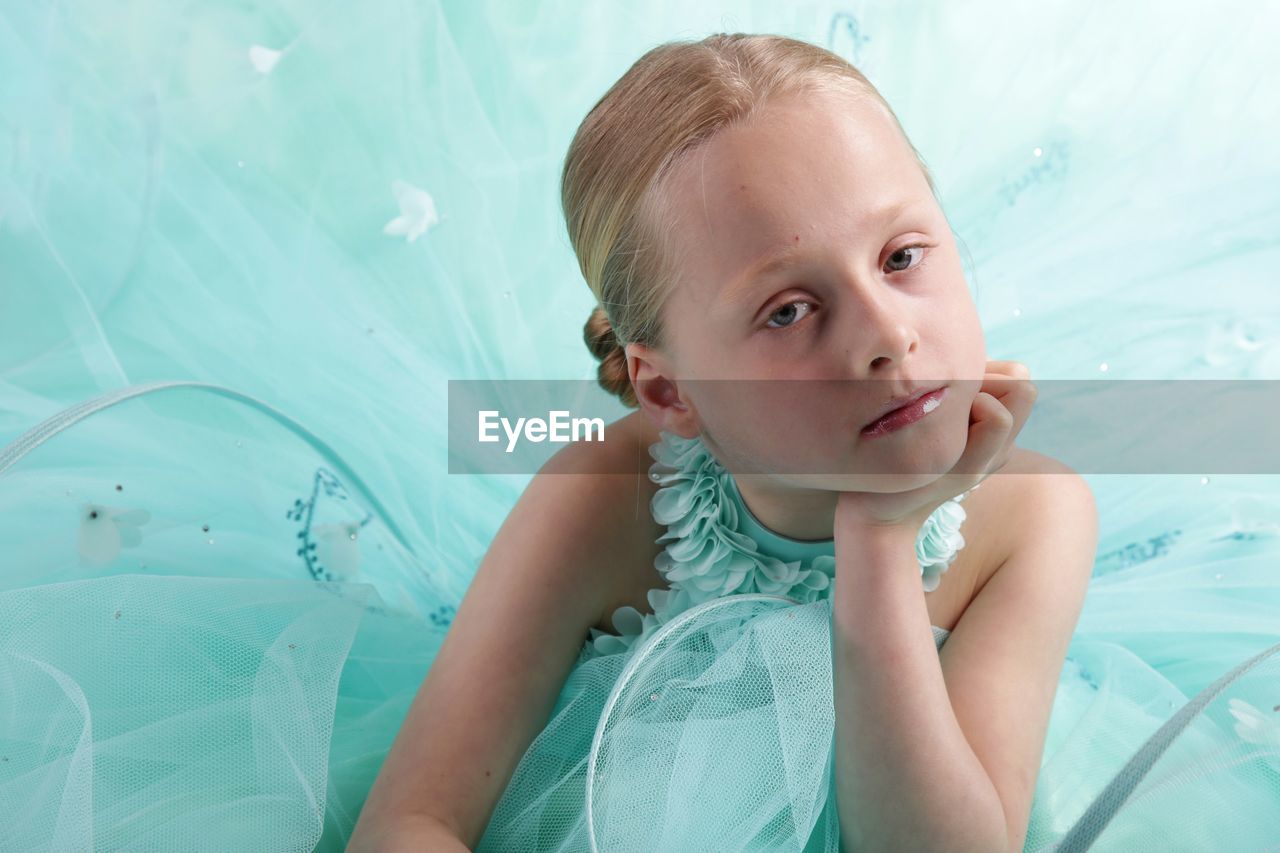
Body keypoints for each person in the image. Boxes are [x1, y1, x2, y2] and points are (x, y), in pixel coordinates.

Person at [3, 24, 1278, 853]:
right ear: (667, 392)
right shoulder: (600, 492)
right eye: (789, 309)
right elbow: (418, 811)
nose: (887, 338)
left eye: (901, 256)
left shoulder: (1031, 513)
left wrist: (880, 547)